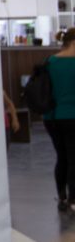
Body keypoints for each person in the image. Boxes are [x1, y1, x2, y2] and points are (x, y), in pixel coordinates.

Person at [44, 28, 75, 212]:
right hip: (72, 116)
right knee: (74, 157)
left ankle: (62, 195)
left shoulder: (49, 62)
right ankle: (73, 199)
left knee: (62, 156)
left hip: (52, 118)